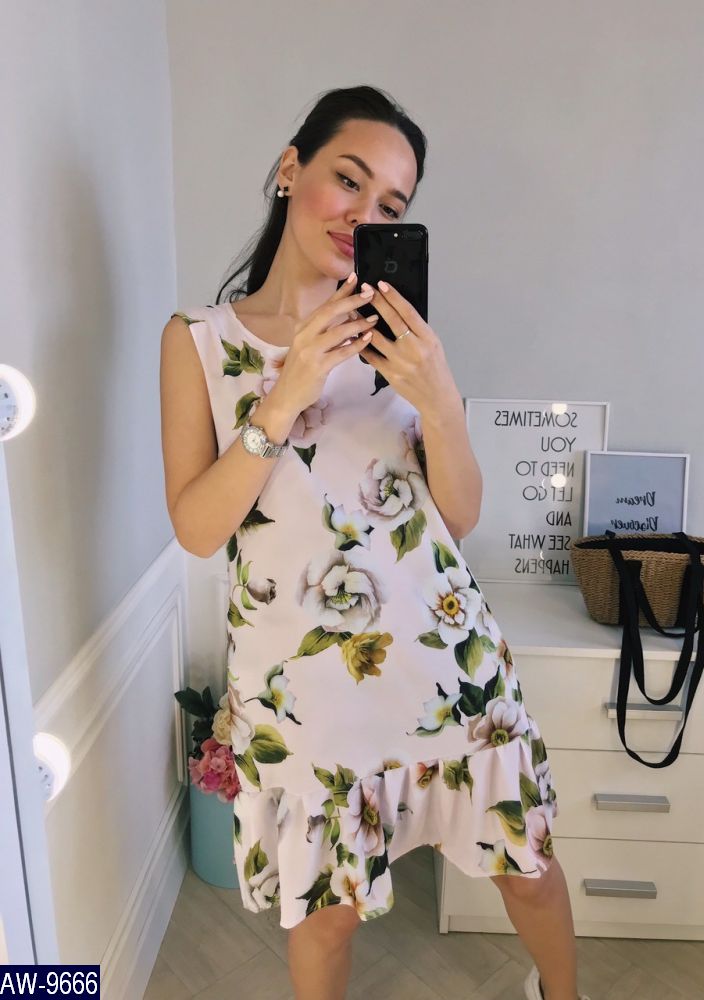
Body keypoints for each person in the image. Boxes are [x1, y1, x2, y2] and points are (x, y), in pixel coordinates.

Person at [160, 85, 590, 1000]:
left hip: (444, 656)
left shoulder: (403, 340)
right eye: (348, 181)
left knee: (527, 865)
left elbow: (458, 516)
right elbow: (198, 530)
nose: (364, 216)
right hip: (304, 688)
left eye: (391, 205)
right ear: (291, 170)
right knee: (326, 915)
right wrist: (284, 396)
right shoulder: (198, 342)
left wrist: (439, 400)